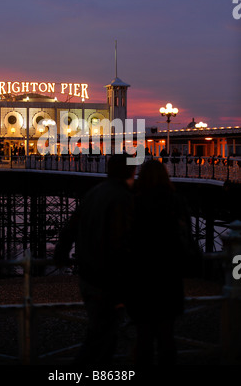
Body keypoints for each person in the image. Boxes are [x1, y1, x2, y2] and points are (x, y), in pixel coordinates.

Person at [53, 153, 136, 366]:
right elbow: (120, 244)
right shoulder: (123, 198)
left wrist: (61, 253)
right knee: (102, 338)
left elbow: (70, 228)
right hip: (107, 281)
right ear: (131, 171)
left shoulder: (94, 192)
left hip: (87, 275)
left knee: (100, 334)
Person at [124, 159, 201, 367]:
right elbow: (187, 237)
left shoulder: (134, 201)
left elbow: (125, 239)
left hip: (141, 276)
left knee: (143, 335)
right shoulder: (176, 201)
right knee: (167, 335)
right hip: (169, 275)